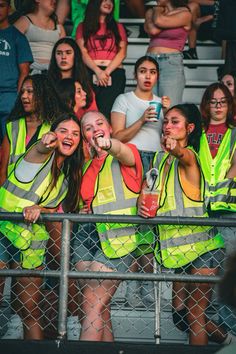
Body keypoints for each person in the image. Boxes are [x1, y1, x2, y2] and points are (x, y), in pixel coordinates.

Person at [138, 103, 226, 345]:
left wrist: (175, 147)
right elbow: (146, 191)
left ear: (189, 128)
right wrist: (140, 204)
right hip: (180, 252)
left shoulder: (190, 158)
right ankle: (228, 340)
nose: (167, 126)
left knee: (195, 314)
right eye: (165, 121)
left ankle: (227, 342)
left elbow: (182, 154)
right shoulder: (160, 161)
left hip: (204, 250)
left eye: (174, 122)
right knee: (180, 315)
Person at [0, 113, 84, 340]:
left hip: (30, 240)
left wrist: (41, 209)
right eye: (63, 131)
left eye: (75, 134)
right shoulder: (37, 156)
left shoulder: (66, 178)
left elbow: (49, 207)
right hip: (2, 230)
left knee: (30, 310)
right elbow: (40, 148)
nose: (69, 136)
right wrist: (45, 141)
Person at [73, 111, 143, 341]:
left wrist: (109, 144)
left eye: (99, 124)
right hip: (87, 237)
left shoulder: (127, 152)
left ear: (110, 128)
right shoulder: (86, 166)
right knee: (100, 308)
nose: (95, 130)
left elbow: (122, 152)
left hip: (117, 237)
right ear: (84, 137)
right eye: (88, 128)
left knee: (91, 305)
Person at [111, 55, 170, 307]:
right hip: (130, 161)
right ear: (135, 74)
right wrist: (142, 120)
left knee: (149, 224)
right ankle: (127, 288)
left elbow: (170, 137)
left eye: (153, 72)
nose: (148, 76)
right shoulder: (123, 99)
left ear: (157, 76)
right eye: (143, 71)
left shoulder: (162, 102)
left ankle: (145, 288)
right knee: (129, 221)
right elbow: (117, 136)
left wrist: (167, 112)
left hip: (155, 163)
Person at [199, 82, 236, 340]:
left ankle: (229, 327)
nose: (219, 106)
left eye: (223, 101)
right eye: (214, 101)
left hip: (230, 210)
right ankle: (208, 321)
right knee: (202, 268)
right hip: (199, 211)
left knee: (229, 270)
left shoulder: (235, 133)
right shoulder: (196, 132)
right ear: (206, 105)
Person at [0, 74, 64, 186]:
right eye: (23, 92)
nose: (24, 96)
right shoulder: (12, 126)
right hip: (9, 197)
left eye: (30, 92)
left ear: (42, 95)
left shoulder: (56, 127)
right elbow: (3, 171)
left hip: (38, 197)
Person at [76, 0, 127, 120]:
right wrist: (98, 71)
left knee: (110, 112)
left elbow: (122, 52)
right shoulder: (82, 26)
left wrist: (106, 72)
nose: (109, 2)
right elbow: (82, 52)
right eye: (105, 0)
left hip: (114, 72)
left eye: (111, 1)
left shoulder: (118, 26)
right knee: (89, 111)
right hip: (89, 71)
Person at [144, 0, 192, 106]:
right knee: (150, 107)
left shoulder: (185, 14)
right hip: (150, 60)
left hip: (171, 62)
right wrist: (159, 9)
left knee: (169, 106)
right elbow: (153, 30)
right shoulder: (151, 12)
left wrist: (158, 9)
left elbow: (159, 21)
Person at [0, 0, 33, 144]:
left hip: (9, 96)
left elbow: (24, 72)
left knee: (9, 143)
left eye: (1, 5)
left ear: (9, 8)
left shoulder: (18, 37)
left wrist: (17, 100)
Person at [14, 0, 66, 74]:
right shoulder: (24, 21)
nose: (54, 1)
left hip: (52, 73)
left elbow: (63, 53)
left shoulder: (59, 27)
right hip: (29, 73)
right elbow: (11, 46)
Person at [48, 37, 97, 114]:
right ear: (54, 57)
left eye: (68, 52)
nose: (63, 57)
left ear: (76, 56)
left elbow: (93, 116)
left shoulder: (85, 89)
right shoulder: (47, 84)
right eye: (59, 53)